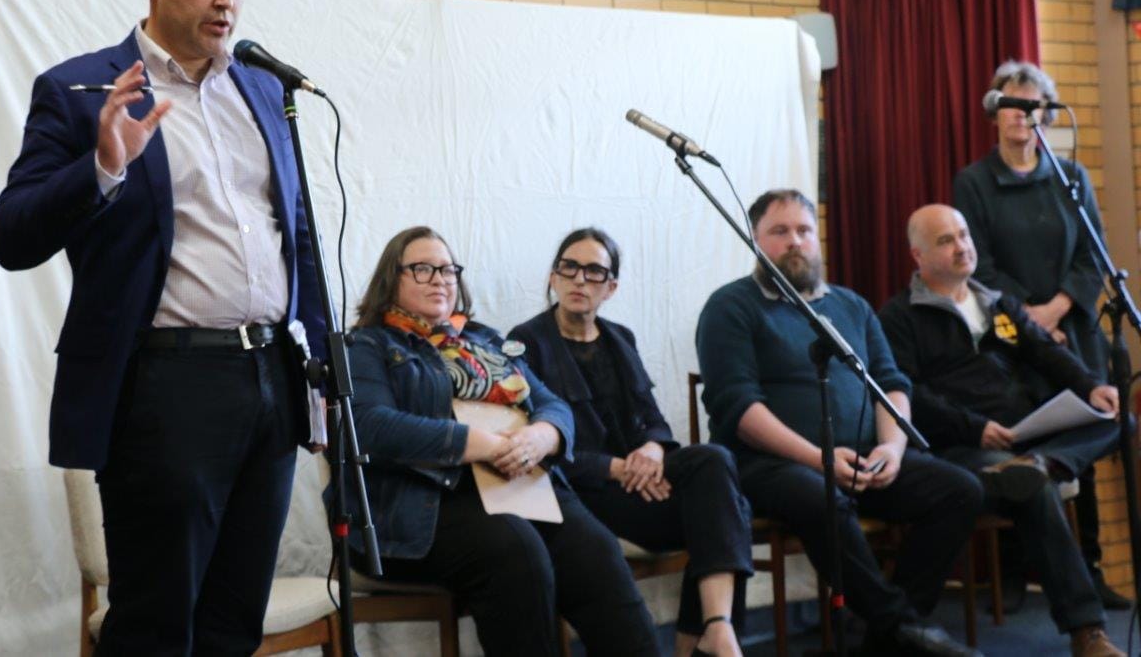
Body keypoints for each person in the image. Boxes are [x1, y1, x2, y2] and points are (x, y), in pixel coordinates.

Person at [0, 0, 326, 654]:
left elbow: (294, 238)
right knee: (156, 622)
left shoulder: (266, 91)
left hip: (271, 377)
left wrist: (321, 371)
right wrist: (103, 166)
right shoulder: (79, 90)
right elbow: (8, 236)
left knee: (234, 619)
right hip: (165, 386)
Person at [337, 226, 659, 656]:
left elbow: (553, 406)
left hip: (515, 485)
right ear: (390, 279)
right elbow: (372, 425)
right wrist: (483, 444)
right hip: (420, 504)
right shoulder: (366, 345)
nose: (440, 279)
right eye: (422, 269)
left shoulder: (482, 339)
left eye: (448, 269)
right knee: (516, 551)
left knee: (594, 549)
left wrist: (541, 437)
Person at [696, 189, 983, 657]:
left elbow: (891, 384)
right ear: (753, 239)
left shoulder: (851, 306)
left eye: (804, 231)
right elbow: (737, 408)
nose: (795, 241)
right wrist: (819, 458)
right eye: (780, 231)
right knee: (821, 496)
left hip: (863, 456)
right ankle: (903, 629)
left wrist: (892, 449)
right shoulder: (730, 307)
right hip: (767, 465)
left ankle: (884, 640)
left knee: (960, 489)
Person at [880, 204, 1124, 657]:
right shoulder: (900, 317)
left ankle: (1047, 462)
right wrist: (975, 429)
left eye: (964, 235)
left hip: (1030, 435)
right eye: (946, 240)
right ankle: (1087, 631)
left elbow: (1046, 353)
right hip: (962, 450)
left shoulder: (997, 302)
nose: (962, 247)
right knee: (1032, 488)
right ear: (917, 255)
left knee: (1117, 416)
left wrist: (1092, 387)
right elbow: (905, 392)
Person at [509, 228, 754, 657]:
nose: (579, 279)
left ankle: (715, 627)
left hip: (638, 478)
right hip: (583, 493)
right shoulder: (527, 342)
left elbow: (653, 420)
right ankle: (701, 639)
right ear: (553, 277)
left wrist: (653, 451)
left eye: (594, 271)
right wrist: (618, 468)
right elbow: (535, 445)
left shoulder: (621, 336)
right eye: (569, 267)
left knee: (715, 464)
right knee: (728, 511)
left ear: (611, 287)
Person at [954, 60, 1128, 610]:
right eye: (1009, 104)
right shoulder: (974, 181)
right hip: (1008, 333)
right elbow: (977, 265)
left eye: (1029, 106)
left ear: (1046, 116)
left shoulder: (1071, 178)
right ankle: (1010, 575)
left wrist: (1054, 311)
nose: (1018, 116)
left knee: (1089, 434)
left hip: (1073, 330)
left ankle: (1091, 569)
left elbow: (1092, 254)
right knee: (1020, 437)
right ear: (995, 114)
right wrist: (1030, 321)